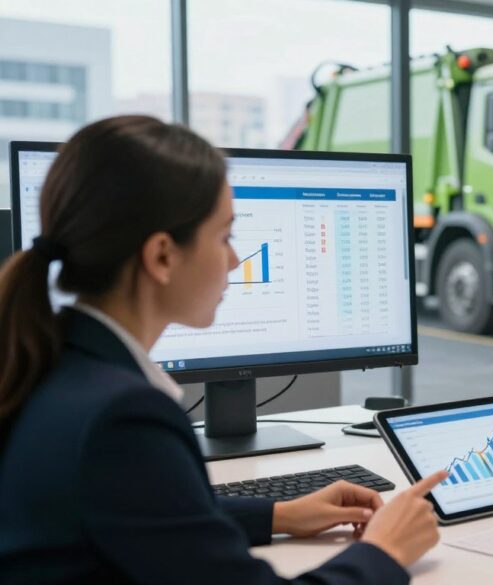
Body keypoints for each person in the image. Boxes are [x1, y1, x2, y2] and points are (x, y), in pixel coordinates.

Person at [0, 116, 446, 584]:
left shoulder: (48, 365)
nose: (236, 260)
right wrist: (384, 551)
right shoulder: (123, 416)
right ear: (162, 256)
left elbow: (143, 515)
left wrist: (279, 515)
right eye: (225, 236)